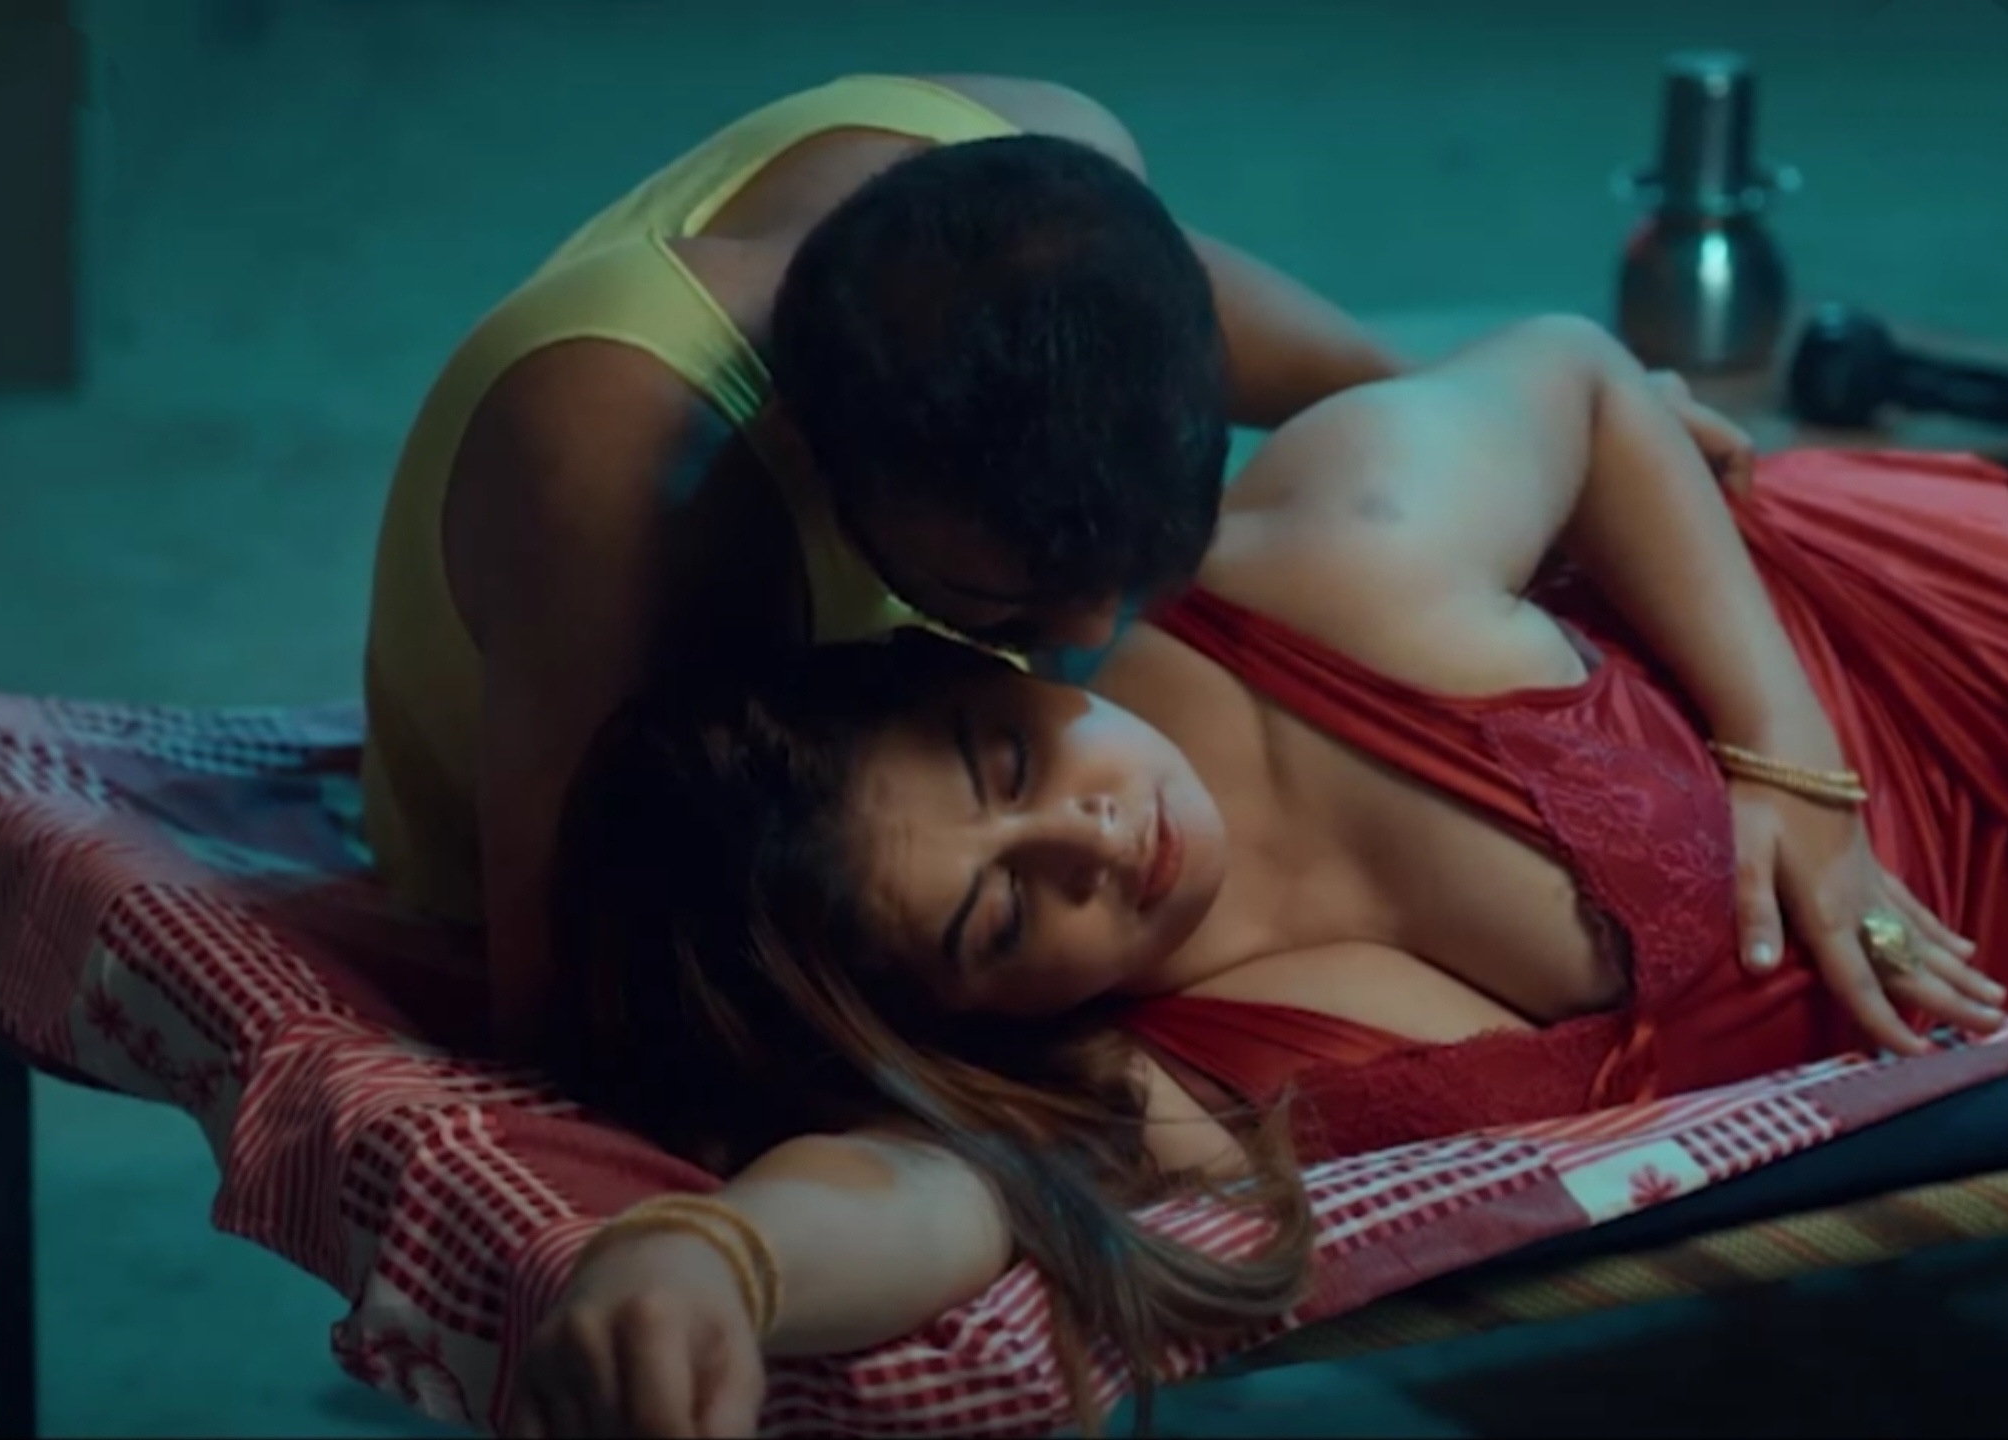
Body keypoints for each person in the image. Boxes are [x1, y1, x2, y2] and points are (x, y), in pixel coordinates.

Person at [520, 314, 2008, 1436]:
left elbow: (1581, 377)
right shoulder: (1153, 1081)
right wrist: (711, 1258)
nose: (1092, 840)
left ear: (976, 664)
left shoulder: (1308, 566)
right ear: (949, 1013)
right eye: (1000, 911)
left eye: (1006, 762)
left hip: (1988, 671)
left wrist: (1794, 773)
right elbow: (922, 1188)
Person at [354, 74, 1424, 1054]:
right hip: (591, 851)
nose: (1088, 637)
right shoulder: (612, 475)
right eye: (997, 601)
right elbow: (561, 1004)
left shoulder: (1056, 183)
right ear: (803, 448)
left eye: (1140, 563)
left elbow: (1405, 407)